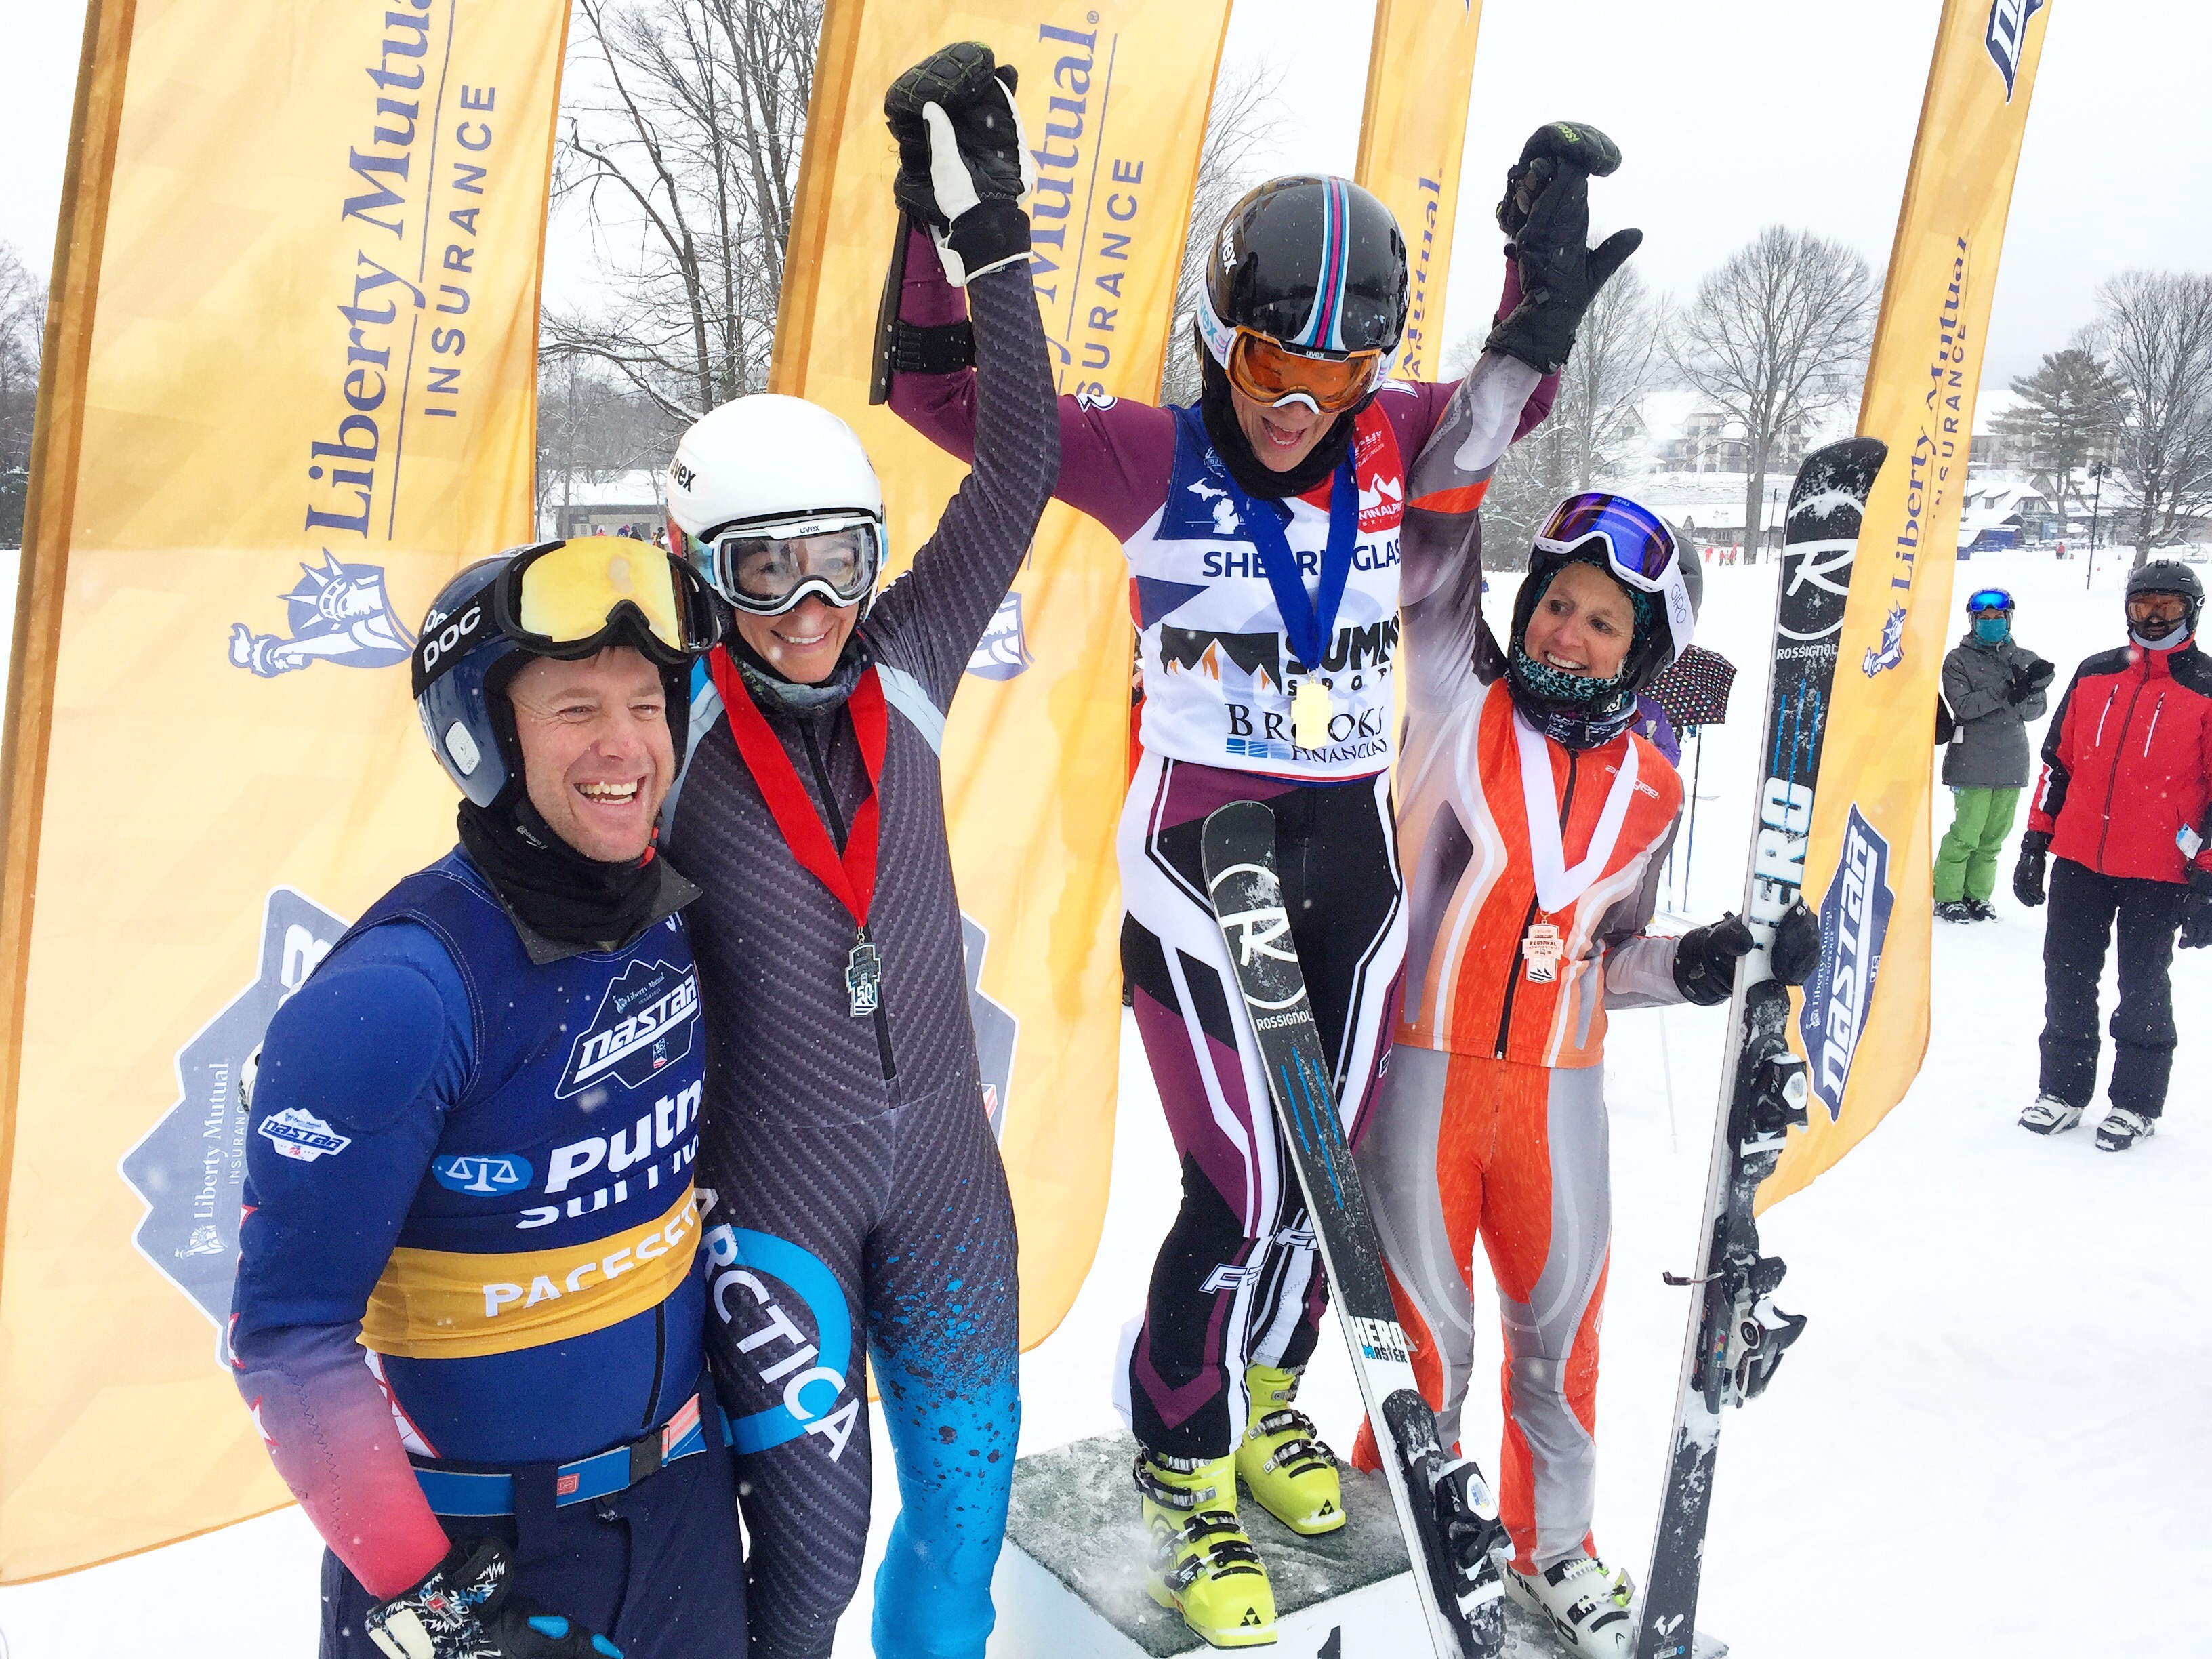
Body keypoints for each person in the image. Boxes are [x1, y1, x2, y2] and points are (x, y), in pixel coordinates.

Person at [891, 121, 1633, 1644]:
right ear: (1220, 343)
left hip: (1346, 848)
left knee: (1327, 1184)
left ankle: (1272, 1401)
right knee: (1237, 1185)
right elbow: (939, 397)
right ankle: (1178, 1456)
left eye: (1334, 377)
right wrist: (934, 231)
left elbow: (1501, 407)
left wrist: (1534, 297)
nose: (1298, 404)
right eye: (1267, 367)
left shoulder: (1388, 441)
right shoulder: (1151, 455)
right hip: (1197, 849)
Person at [657, 43, 1055, 1659]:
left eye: (840, 567)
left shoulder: (907, 663)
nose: (814, 614)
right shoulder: (662, 725)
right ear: (701, 581)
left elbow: (1019, 462)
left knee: (962, 1527)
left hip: (948, 1171)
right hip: (780, 1184)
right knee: (806, 1567)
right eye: (771, 576)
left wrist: (985, 241)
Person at [230, 539, 743, 1659]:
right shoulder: (398, 995)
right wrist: (444, 1611)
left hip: (681, 1519)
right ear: (483, 739)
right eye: (573, 708)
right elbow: (285, 1339)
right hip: (478, 1552)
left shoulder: (666, 913)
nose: (625, 745)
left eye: (646, 703)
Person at [1351, 490, 1820, 1656]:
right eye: (1554, 603)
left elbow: (1607, 961)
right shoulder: (1458, 703)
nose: (1566, 631)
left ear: (1643, 648)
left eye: (1603, 622)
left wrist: (1700, 961)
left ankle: (1551, 1548)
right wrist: (1519, 358)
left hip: (1556, 1095)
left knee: (1561, 1341)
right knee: (1422, 1347)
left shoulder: (1651, 788)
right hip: (1422, 1074)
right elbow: (1438, 540)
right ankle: (1387, 1547)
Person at [2014, 560, 2212, 1150]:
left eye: (2167, 608)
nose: (2153, 619)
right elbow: (2059, 765)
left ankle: (2135, 1103)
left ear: (2192, 611)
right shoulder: (2095, 674)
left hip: (2160, 870)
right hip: (2079, 859)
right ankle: (2064, 1091)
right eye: (2142, 606)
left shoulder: (2205, 686)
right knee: (2067, 977)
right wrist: (2035, 841)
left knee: (2143, 984)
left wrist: (2206, 880)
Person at [1933, 586, 2053, 922]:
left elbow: (2035, 712)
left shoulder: (2025, 658)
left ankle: (1978, 896)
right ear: (1973, 621)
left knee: (1993, 839)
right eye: (1983, 618)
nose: (1990, 623)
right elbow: (1965, 706)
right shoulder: (1958, 660)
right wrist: (2006, 690)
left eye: (1997, 617)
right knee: (1966, 834)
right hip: (1971, 759)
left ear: (2008, 619)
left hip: (2012, 761)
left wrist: (2029, 690)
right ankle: (1947, 896)